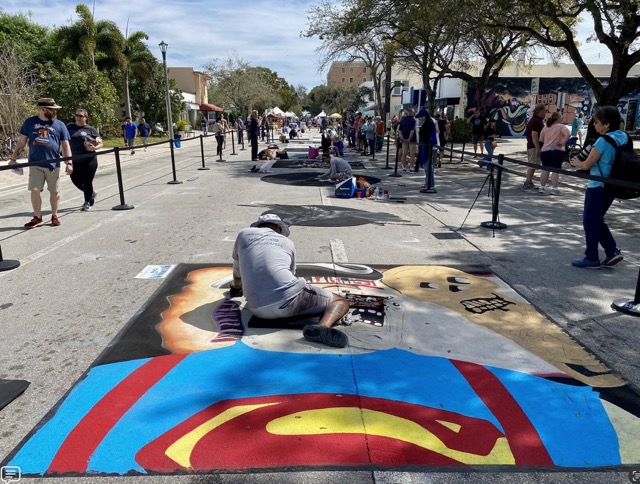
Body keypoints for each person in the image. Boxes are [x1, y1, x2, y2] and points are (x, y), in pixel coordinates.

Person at [231, 214, 350, 347]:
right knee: (340, 301)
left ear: (258, 226)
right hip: (288, 301)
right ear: (278, 228)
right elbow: (290, 275)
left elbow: (237, 271)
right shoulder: (287, 242)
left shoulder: (243, 234)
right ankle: (322, 327)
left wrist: (236, 286)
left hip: (257, 309)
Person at [569, 106, 625, 269]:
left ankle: (592, 257)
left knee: (589, 221)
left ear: (606, 124)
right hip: (614, 185)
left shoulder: (603, 141)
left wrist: (577, 162)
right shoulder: (623, 137)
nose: (594, 125)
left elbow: (586, 164)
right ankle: (612, 251)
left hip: (597, 185)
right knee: (596, 219)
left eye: (597, 122)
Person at [8, 98, 72, 227]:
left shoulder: (60, 125)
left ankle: (54, 215)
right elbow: (22, 141)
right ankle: (37, 217)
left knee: (54, 191)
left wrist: (69, 163)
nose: (54, 112)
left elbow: (65, 144)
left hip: (53, 164)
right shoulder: (30, 122)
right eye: (52, 110)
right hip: (35, 163)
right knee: (35, 190)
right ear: (43, 109)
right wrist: (13, 159)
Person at [66, 108, 103, 211]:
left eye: (80, 116)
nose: (78, 117)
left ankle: (87, 202)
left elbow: (100, 143)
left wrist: (94, 148)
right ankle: (91, 193)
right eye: (76, 115)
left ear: (86, 118)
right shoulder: (69, 127)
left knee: (87, 181)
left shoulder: (91, 129)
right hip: (74, 160)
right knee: (76, 181)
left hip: (89, 160)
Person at [538, 112, 570, 194]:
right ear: (558, 119)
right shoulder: (561, 127)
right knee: (556, 170)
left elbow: (541, 139)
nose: (562, 119)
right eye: (561, 117)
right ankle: (554, 188)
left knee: (545, 169)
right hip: (557, 150)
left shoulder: (545, 127)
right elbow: (568, 134)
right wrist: (563, 142)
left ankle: (542, 187)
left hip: (545, 150)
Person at [523, 103, 548, 189]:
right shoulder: (536, 121)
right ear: (540, 111)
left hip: (533, 145)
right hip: (534, 146)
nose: (546, 112)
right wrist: (538, 148)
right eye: (545, 110)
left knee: (533, 164)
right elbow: (534, 135)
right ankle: (528, 182)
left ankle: (529, 181)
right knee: (532, 164)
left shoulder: (536, 120)